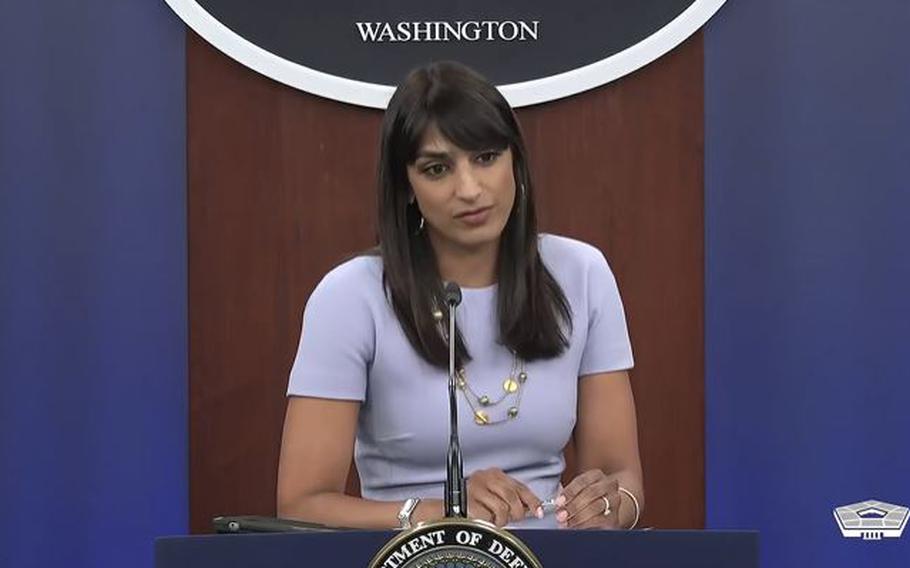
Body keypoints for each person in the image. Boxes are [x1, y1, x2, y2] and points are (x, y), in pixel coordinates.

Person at [277, 61, 644, 530]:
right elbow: (301, 503)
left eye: (486, 157)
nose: (469, 189)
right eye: (437, 168)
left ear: (516, 161)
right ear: (406, 187)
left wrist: (611, 506)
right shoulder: (350, 296)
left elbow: (621, 476)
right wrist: (436, 513)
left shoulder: (582, 274)